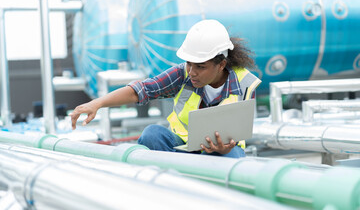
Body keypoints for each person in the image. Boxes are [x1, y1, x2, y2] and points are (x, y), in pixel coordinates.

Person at [70, 19, 261, 158]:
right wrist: (98, 103)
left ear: (221, 65)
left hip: (222, 153)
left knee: (233, 158)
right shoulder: (182, 74)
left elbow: (235, 139)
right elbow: (142, 90)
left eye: (200, 67)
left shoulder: (244, 85)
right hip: (182, 148)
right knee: (152, 134)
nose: (192, 72)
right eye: (189, 64)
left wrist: (223, 148)